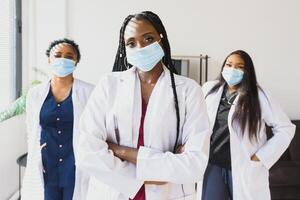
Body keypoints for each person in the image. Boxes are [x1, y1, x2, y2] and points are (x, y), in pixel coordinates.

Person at [76, 11, 211, 200]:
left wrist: (119, 150)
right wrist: (145, 177)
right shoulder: (109, 85)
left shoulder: (189, 90)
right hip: (113, 192)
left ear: (161, 40)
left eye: (148, 38)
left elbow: (194, 165)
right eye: (131, 43)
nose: (140, 47)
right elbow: (87, 152)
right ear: (125, 49)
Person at [200, 50, 295, 200]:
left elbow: (286, 129)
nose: (232, 70)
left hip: (244, 165)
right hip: (213, 165)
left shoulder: (260, 96)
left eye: (239, 67)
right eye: (229, 65)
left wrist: (261, 156)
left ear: (247, 71)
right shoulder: (209, 90)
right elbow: (198, 123)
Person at [22, 38, 94, 200]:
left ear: (76, 62)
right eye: (58, 55)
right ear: (49, 59)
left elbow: (96, 130)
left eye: (69, 56)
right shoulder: (35, 94)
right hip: (47, 164)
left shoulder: (89, 92)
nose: (63, 59)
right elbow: (31, 130)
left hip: (75, 164)